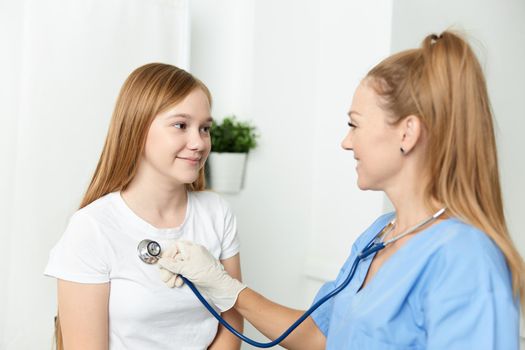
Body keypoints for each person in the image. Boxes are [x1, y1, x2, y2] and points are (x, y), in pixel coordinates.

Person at [158, 31, 524, 349]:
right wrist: (223, 286)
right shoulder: (379, 235)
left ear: (407, 133)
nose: (346, 142)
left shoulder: (466, 260)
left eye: (355, 124)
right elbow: (319, 337)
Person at [44, 63, 243, 350]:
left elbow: (233, 322)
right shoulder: (92, 228)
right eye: (181, 125)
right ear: (137, 128)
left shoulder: (217, 213)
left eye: (205, 128)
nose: (199, 142)